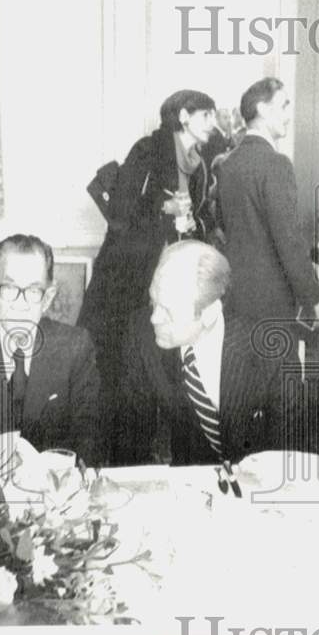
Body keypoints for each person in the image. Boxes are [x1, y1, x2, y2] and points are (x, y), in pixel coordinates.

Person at [78, 89, 217, 464]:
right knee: (128, 369)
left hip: (170, 280)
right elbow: (122, 213)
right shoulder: (148, 150)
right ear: (184, 116)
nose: (213, 125)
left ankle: (173, 455)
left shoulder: (199, 165)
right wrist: (164, 208)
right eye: (207, 116)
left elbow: (205, 220)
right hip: (129, 280)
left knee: (164, 369)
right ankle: (127, 459)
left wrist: (192, 222)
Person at [216, 78, 319, 452]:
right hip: (273, 304)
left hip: (236, 301)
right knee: (283, 403)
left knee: (240, 396)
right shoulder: (275, 163)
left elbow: (223, 229)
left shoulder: (228, 164)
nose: (288, 114)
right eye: (283, 105)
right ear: (263, 110)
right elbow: (289, 241)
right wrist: (316, 299)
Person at [0, 235, 101, 464]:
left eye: (33, 291)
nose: (20, 304)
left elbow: (89, 438)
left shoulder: (75, 347)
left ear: (48, 297)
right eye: (9, 288)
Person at [117, 241, 285, 466]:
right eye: (152, 301)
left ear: (209, 313)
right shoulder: (142, 335)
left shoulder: (267, 350)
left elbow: (292, 451)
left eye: (168, 310)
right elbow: (131, 436)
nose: (154, 318)